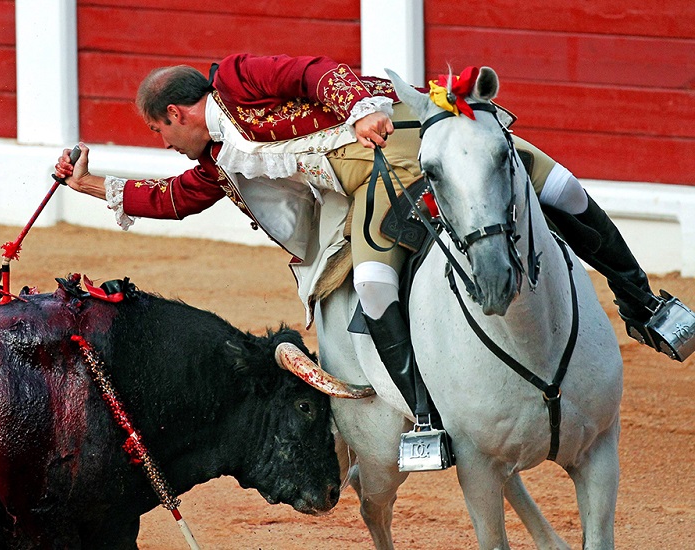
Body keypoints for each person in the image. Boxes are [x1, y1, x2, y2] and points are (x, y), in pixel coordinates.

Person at [55, 53, 686, 416]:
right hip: (371, 182)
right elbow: (176, 199)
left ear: (174, 113)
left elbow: (314, 72)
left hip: (416, 128)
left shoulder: (239, 78)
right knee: (374, 280)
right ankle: (426, 416)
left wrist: (362, 108)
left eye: (161, 134)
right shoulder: (220, 158)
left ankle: (646, 307)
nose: (165, 145)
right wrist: (90, 186)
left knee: (563, 191)